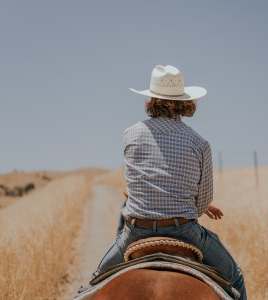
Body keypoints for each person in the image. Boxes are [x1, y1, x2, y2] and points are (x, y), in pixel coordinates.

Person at [92, 65, 247, 299]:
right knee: (235, 277)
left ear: (151, 98)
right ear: (185, 101)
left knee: (93, 283)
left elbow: (138, 183)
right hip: (184, 230)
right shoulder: (199, 143)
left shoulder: (131, 134)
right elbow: (202, 201)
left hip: (136, 231)